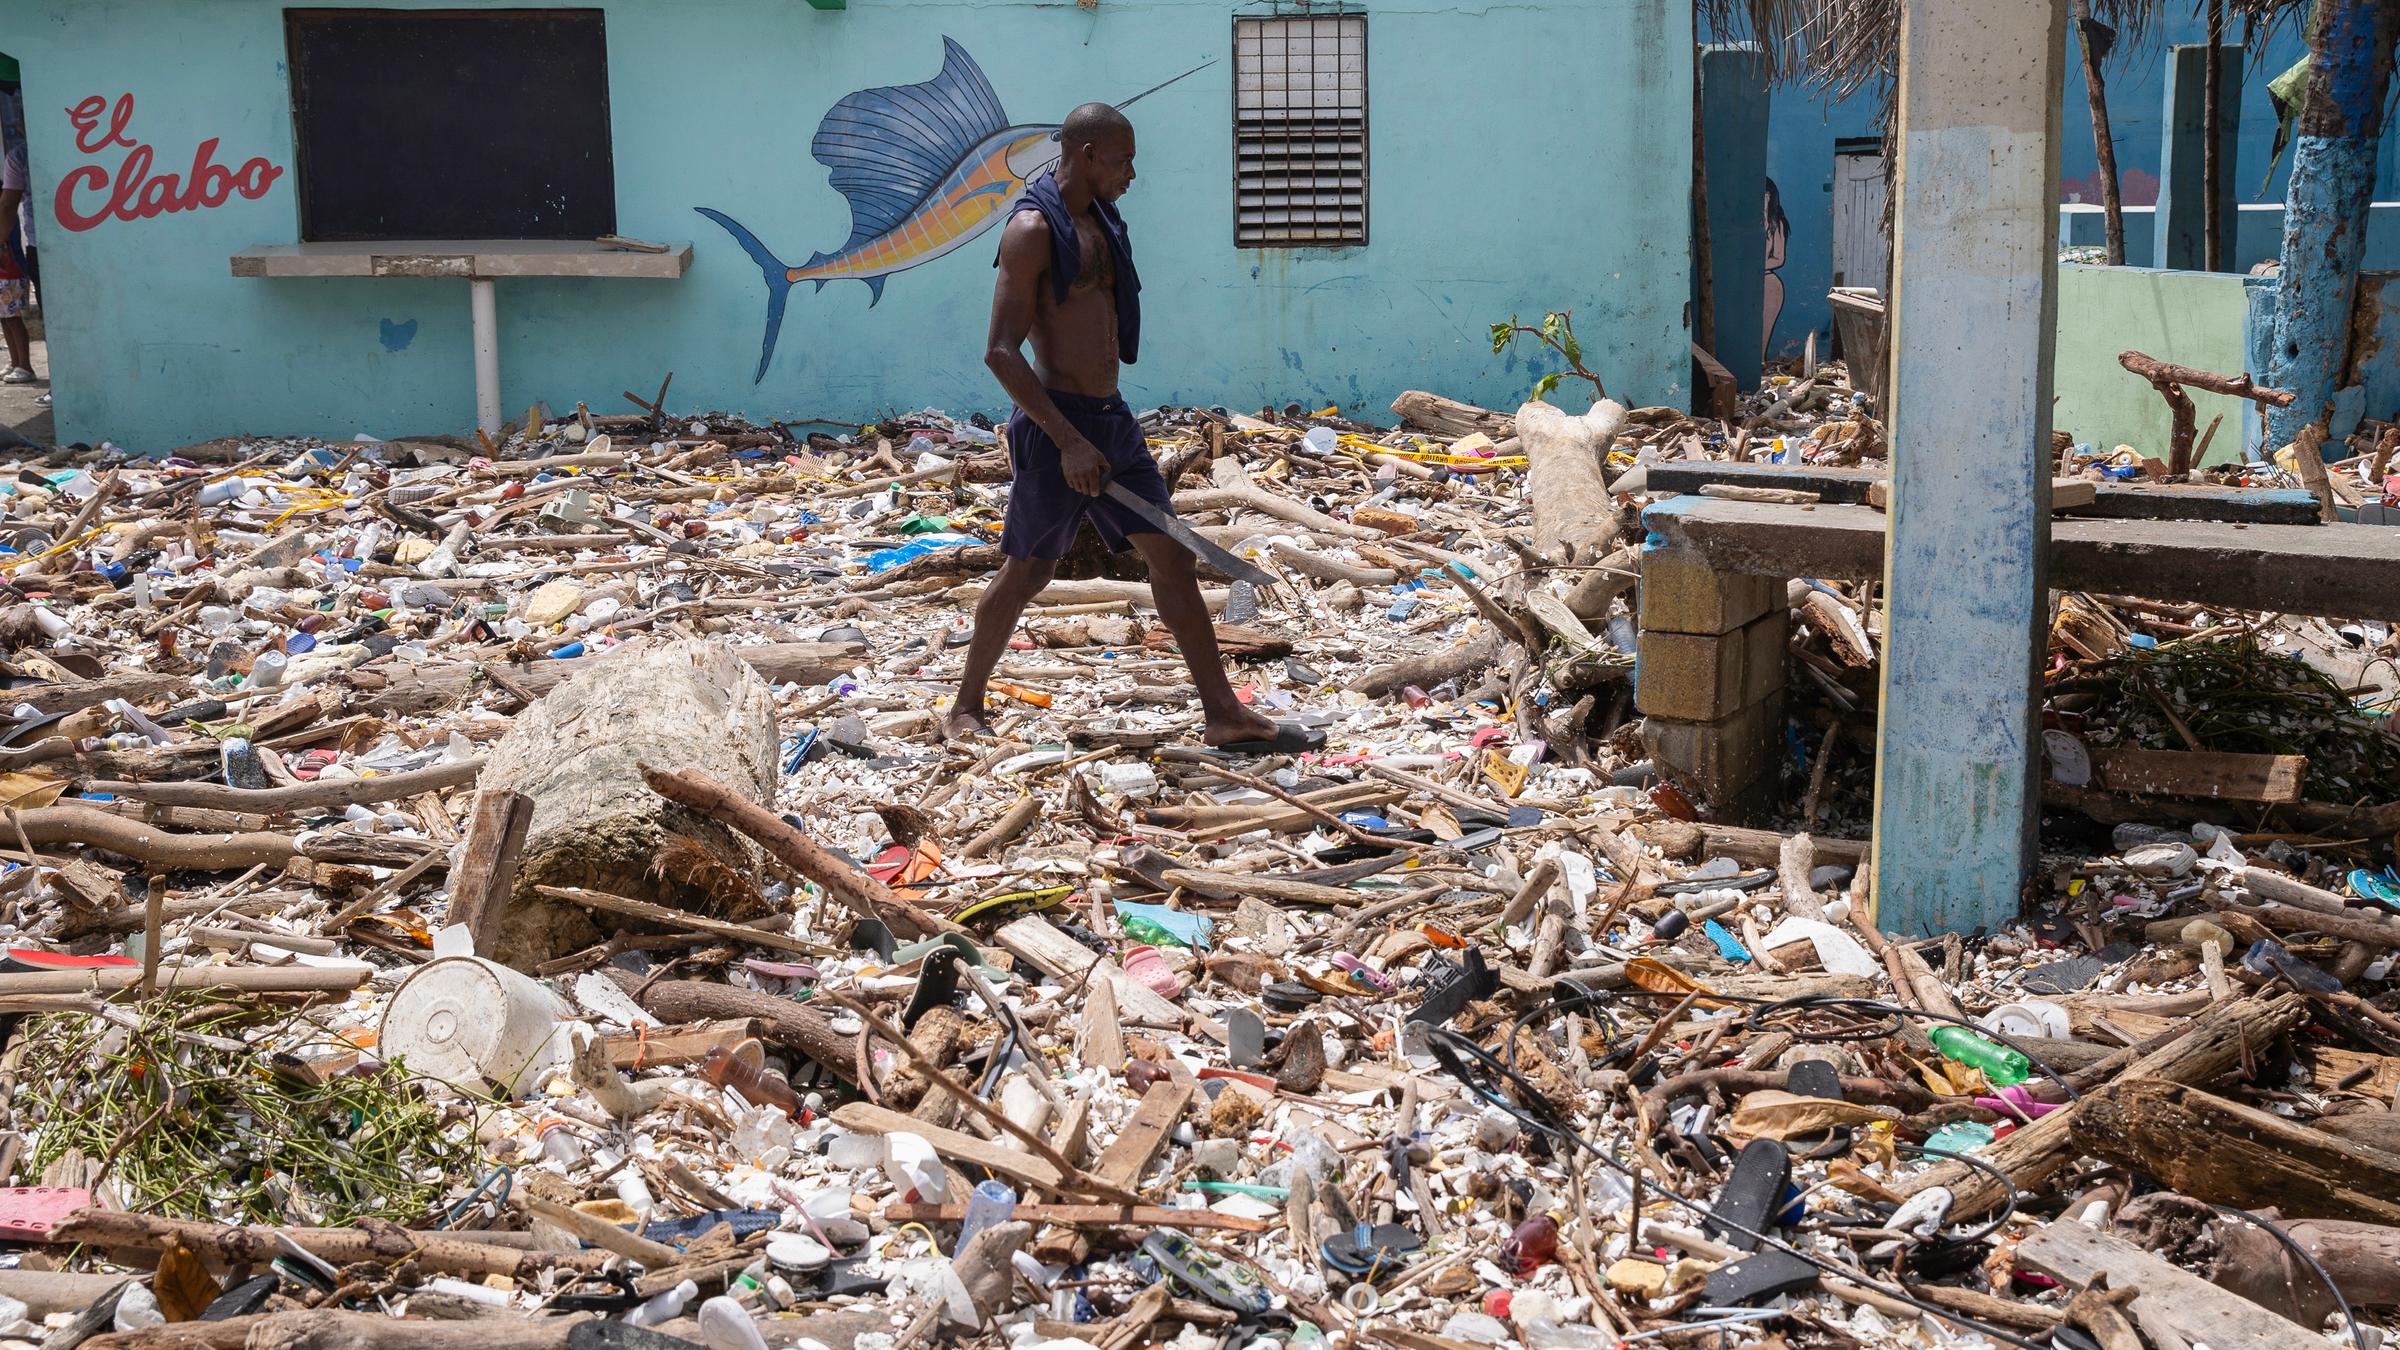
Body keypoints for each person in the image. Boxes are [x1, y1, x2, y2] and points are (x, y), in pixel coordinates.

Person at [944, 103, 1315, 754]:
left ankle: (1223, 713)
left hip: (1111, 420)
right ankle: (964, 707)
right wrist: (1067, 440)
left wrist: (1095, 431)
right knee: (1027, 573)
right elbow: (1001, 351)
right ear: (1085, 154)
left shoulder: (1103, 220)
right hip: (1056, 427)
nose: (1133, 173)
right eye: (1122, 159)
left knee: (1171, 556)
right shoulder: (1032, 229)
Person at [0, 89, 32, 388]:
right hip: (13, 256)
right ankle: (16, 362)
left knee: (12, 316)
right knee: (5, 317)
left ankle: (24, 364)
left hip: (8, 262)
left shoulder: (17, 158)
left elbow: (9, 208)